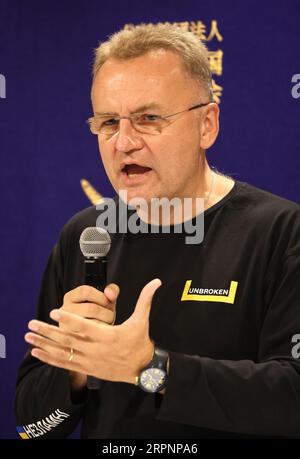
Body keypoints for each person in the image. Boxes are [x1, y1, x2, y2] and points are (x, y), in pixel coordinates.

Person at [15, 23, 300, 439]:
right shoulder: (87, 236)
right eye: (109, 122)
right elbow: (33, 428)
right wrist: (74, 367)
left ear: (207, 125)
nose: (124, 142)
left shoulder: (281, 232)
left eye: (149, 118)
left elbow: (292, 401)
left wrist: (151, 369)